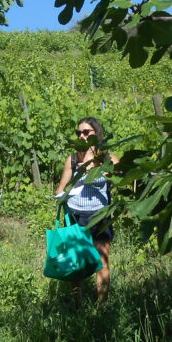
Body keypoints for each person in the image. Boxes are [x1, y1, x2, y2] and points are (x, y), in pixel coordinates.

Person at [55, 117, 119, 302]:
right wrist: (64, 193)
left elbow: (125, 178)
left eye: (86, 132)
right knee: (76, 264)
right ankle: (77, 304)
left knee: (102, 261)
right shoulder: (73, 159)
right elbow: (61, 189)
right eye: (78, 133)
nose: (81, 136)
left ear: (96, 133)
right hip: (76, 217)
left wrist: (105, 171)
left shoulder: (107, 159)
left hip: (100, 215)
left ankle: (102, 306)